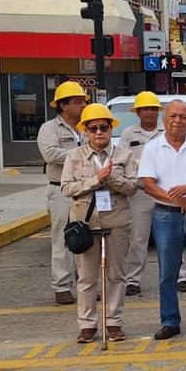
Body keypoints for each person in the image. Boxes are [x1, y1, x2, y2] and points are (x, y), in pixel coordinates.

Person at [137, 101, 186, 340]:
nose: (178, 120)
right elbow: (148, 184)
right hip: (166, 216)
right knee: (167, 271)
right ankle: (170, 321)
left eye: (183, 116)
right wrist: (178, 199)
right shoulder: (153, 147)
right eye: (173, 116)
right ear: (164, 120)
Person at [61, 104, 137, 343]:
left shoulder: (124, 155)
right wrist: (95, 179)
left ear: (111, 129)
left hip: (116, 220)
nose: (98, 132)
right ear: (85, 131)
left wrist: (111, 178)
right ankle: (87, 324)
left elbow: (132, 187)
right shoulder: (74, 156)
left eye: (103, 127)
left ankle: (114, 322)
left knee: (116, 274)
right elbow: (67, 188)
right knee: (86, 276)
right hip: (85, 221)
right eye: (92, 128)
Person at [37, 81, 88, 304]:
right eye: (77, 102)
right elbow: (50, 154)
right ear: (63, 105)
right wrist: (80, 154)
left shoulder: (87, 126)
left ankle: (86, 284)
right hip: (61, 190)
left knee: (86, 238)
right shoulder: (49, 129)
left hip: (86, 190)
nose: (82, 105)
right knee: (62, 240)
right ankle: (61, 286)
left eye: (83, 101)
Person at [117, 91, 164, 296]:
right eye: (145, 109)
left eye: (153, 109)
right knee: (138, 238)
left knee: (172, 237)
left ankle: (179, 277)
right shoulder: (128, 133)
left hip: (164, 190)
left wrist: (140, 163)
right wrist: (144, 164)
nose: (150, 112)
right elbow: (121, 160)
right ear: (137, 112)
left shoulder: (166, 131)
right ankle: (133, 280)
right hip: (140, 192)